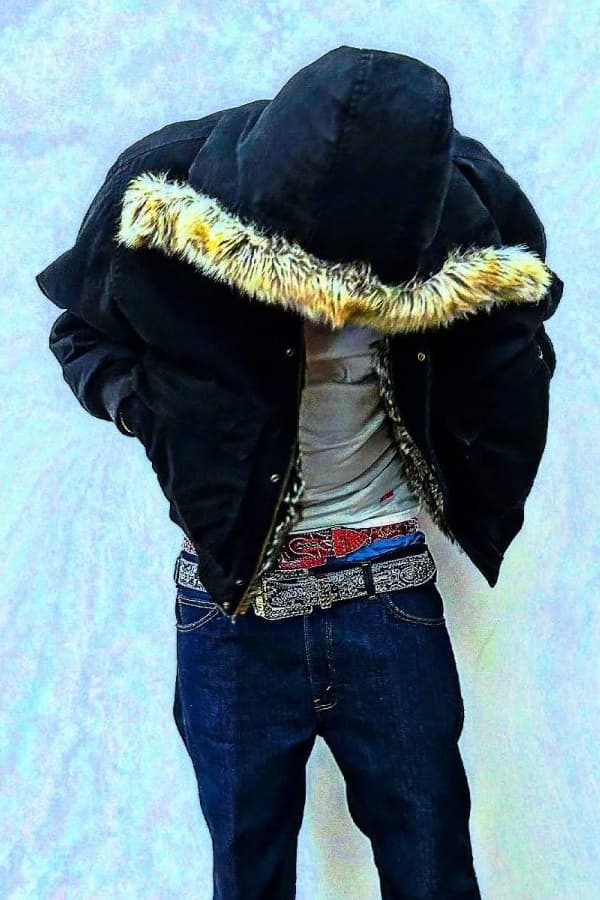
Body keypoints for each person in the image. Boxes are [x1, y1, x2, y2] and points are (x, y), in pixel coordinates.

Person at [35, 45, 563, 900]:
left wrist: (497, 415)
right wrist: (143, 411)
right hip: (231, 610)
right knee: (248, 878)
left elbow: (519, 324)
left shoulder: (465, 211)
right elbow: (80, 332)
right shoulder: (165, 194)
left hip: (387, 594)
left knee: (434, 870)